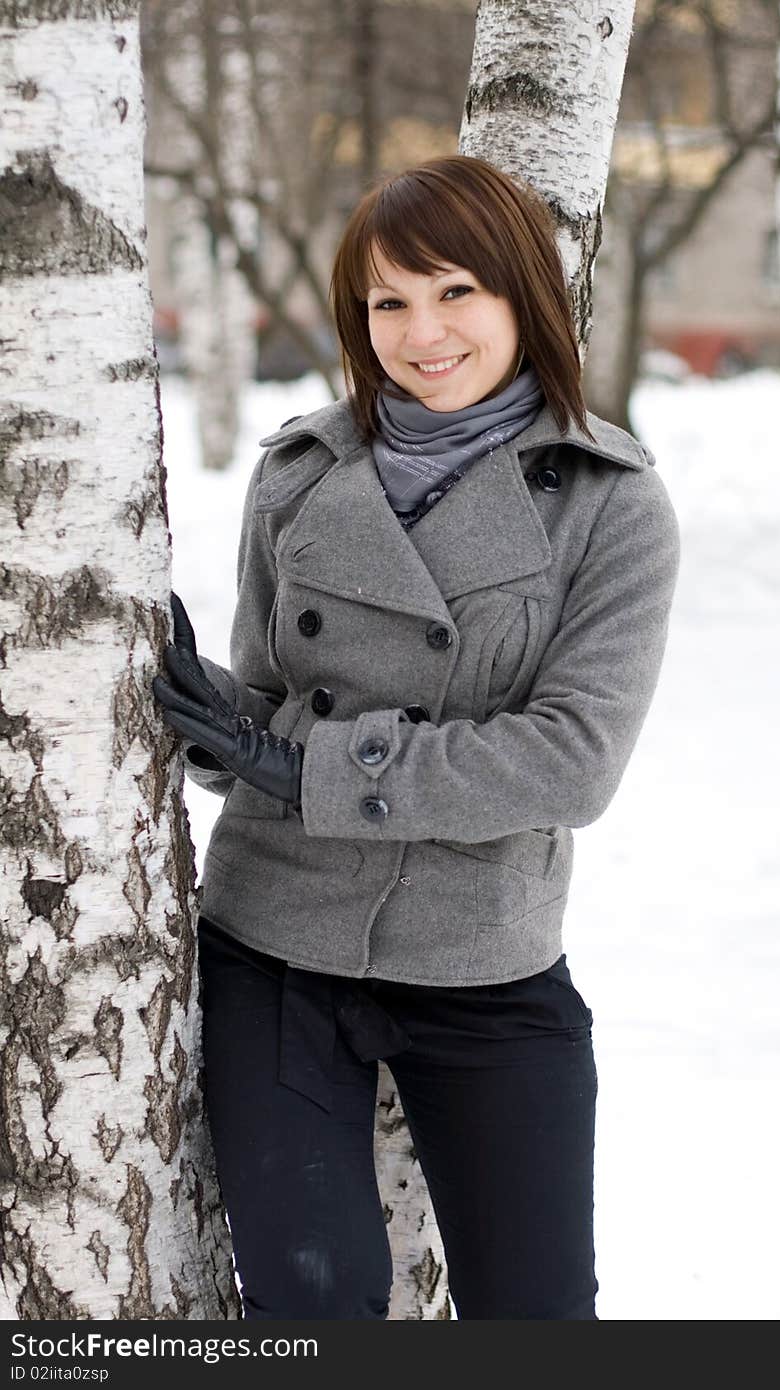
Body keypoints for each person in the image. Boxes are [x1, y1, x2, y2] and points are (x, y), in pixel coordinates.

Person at [152, 154, 680, 1321]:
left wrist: (308, 766)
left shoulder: (609, 503)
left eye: (454, 293)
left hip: (483, 956)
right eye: (387, 302)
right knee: (314, 1301)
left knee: (539, 1312)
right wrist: (204, 716)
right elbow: (271, 691)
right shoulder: (300, 473)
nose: (421, 333)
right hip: (275, 946)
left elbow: (570, 757)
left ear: (519, 296)